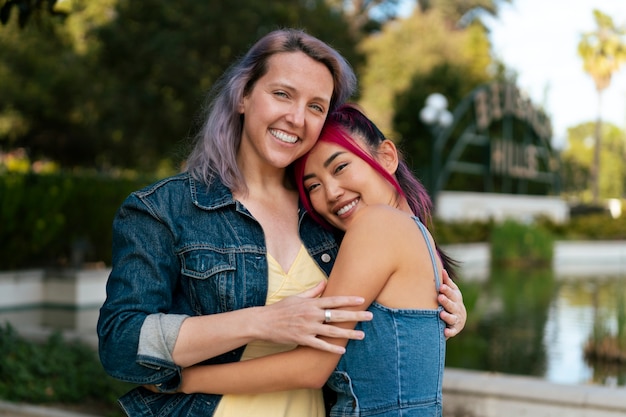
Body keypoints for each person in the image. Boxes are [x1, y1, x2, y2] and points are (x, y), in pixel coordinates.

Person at [97, 28, 466, 417]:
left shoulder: (328, 216)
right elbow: (121, 346)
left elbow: (383, 335)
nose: (296, 118)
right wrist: (262, 322)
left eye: (316, 106)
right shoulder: (164, 209)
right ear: (242, 96)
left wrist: (441, 305)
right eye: (282, 94)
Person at [166, 103, 457, 417]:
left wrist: (183, 379)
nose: (331, 192)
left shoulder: (377, 224)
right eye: (313, 185)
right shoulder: (417, 234)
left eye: (340, 167)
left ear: (386, 156)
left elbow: (312, 366)